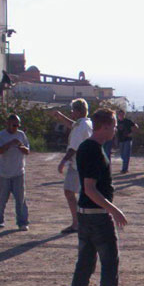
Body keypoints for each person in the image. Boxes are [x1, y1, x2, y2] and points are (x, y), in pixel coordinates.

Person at [68, 108, 133, 286]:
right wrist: (113, 209)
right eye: (114, 125)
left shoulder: (88, 147)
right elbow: (90, 188)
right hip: (97, 217)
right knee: (109, 265)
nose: (115, 129)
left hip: (85, 216)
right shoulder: (94, 150)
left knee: (84, 264)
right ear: (105, 126)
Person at [54, 99, 93, 234]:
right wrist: (61, 118)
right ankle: (81, 221)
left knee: (70, 191)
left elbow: (73, 147)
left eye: (73, 110)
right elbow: (73, 125)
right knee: (82, 193)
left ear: (79, 111)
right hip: (86, 162)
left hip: (77, 164)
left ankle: (77, 223)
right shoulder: (86, 123)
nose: (72, 113)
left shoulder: (81, 126)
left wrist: (63, 161)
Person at [0, 114, 30, 231]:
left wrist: (20, 146)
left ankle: (22, 222)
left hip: (19, 173)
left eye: (18, 125)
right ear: (7, 124)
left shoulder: (21, 135)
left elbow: (27, 151)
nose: (16, 127)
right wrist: (10, 144)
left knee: (21, 200)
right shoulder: (0, 136)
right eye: (14, 125)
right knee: (1, 200)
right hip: (4, 173)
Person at [115, 109, 138, 173]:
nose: (121, 116)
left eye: (122, 114)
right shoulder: (117, 122)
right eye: (119, 114)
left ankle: (124, 169)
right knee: (122, 155)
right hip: (121, 140)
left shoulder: (127, 121)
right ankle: (125, 167)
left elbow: (136, 127)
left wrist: (131, 133)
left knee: (126, 155)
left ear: (124, 115)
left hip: (127, 140)